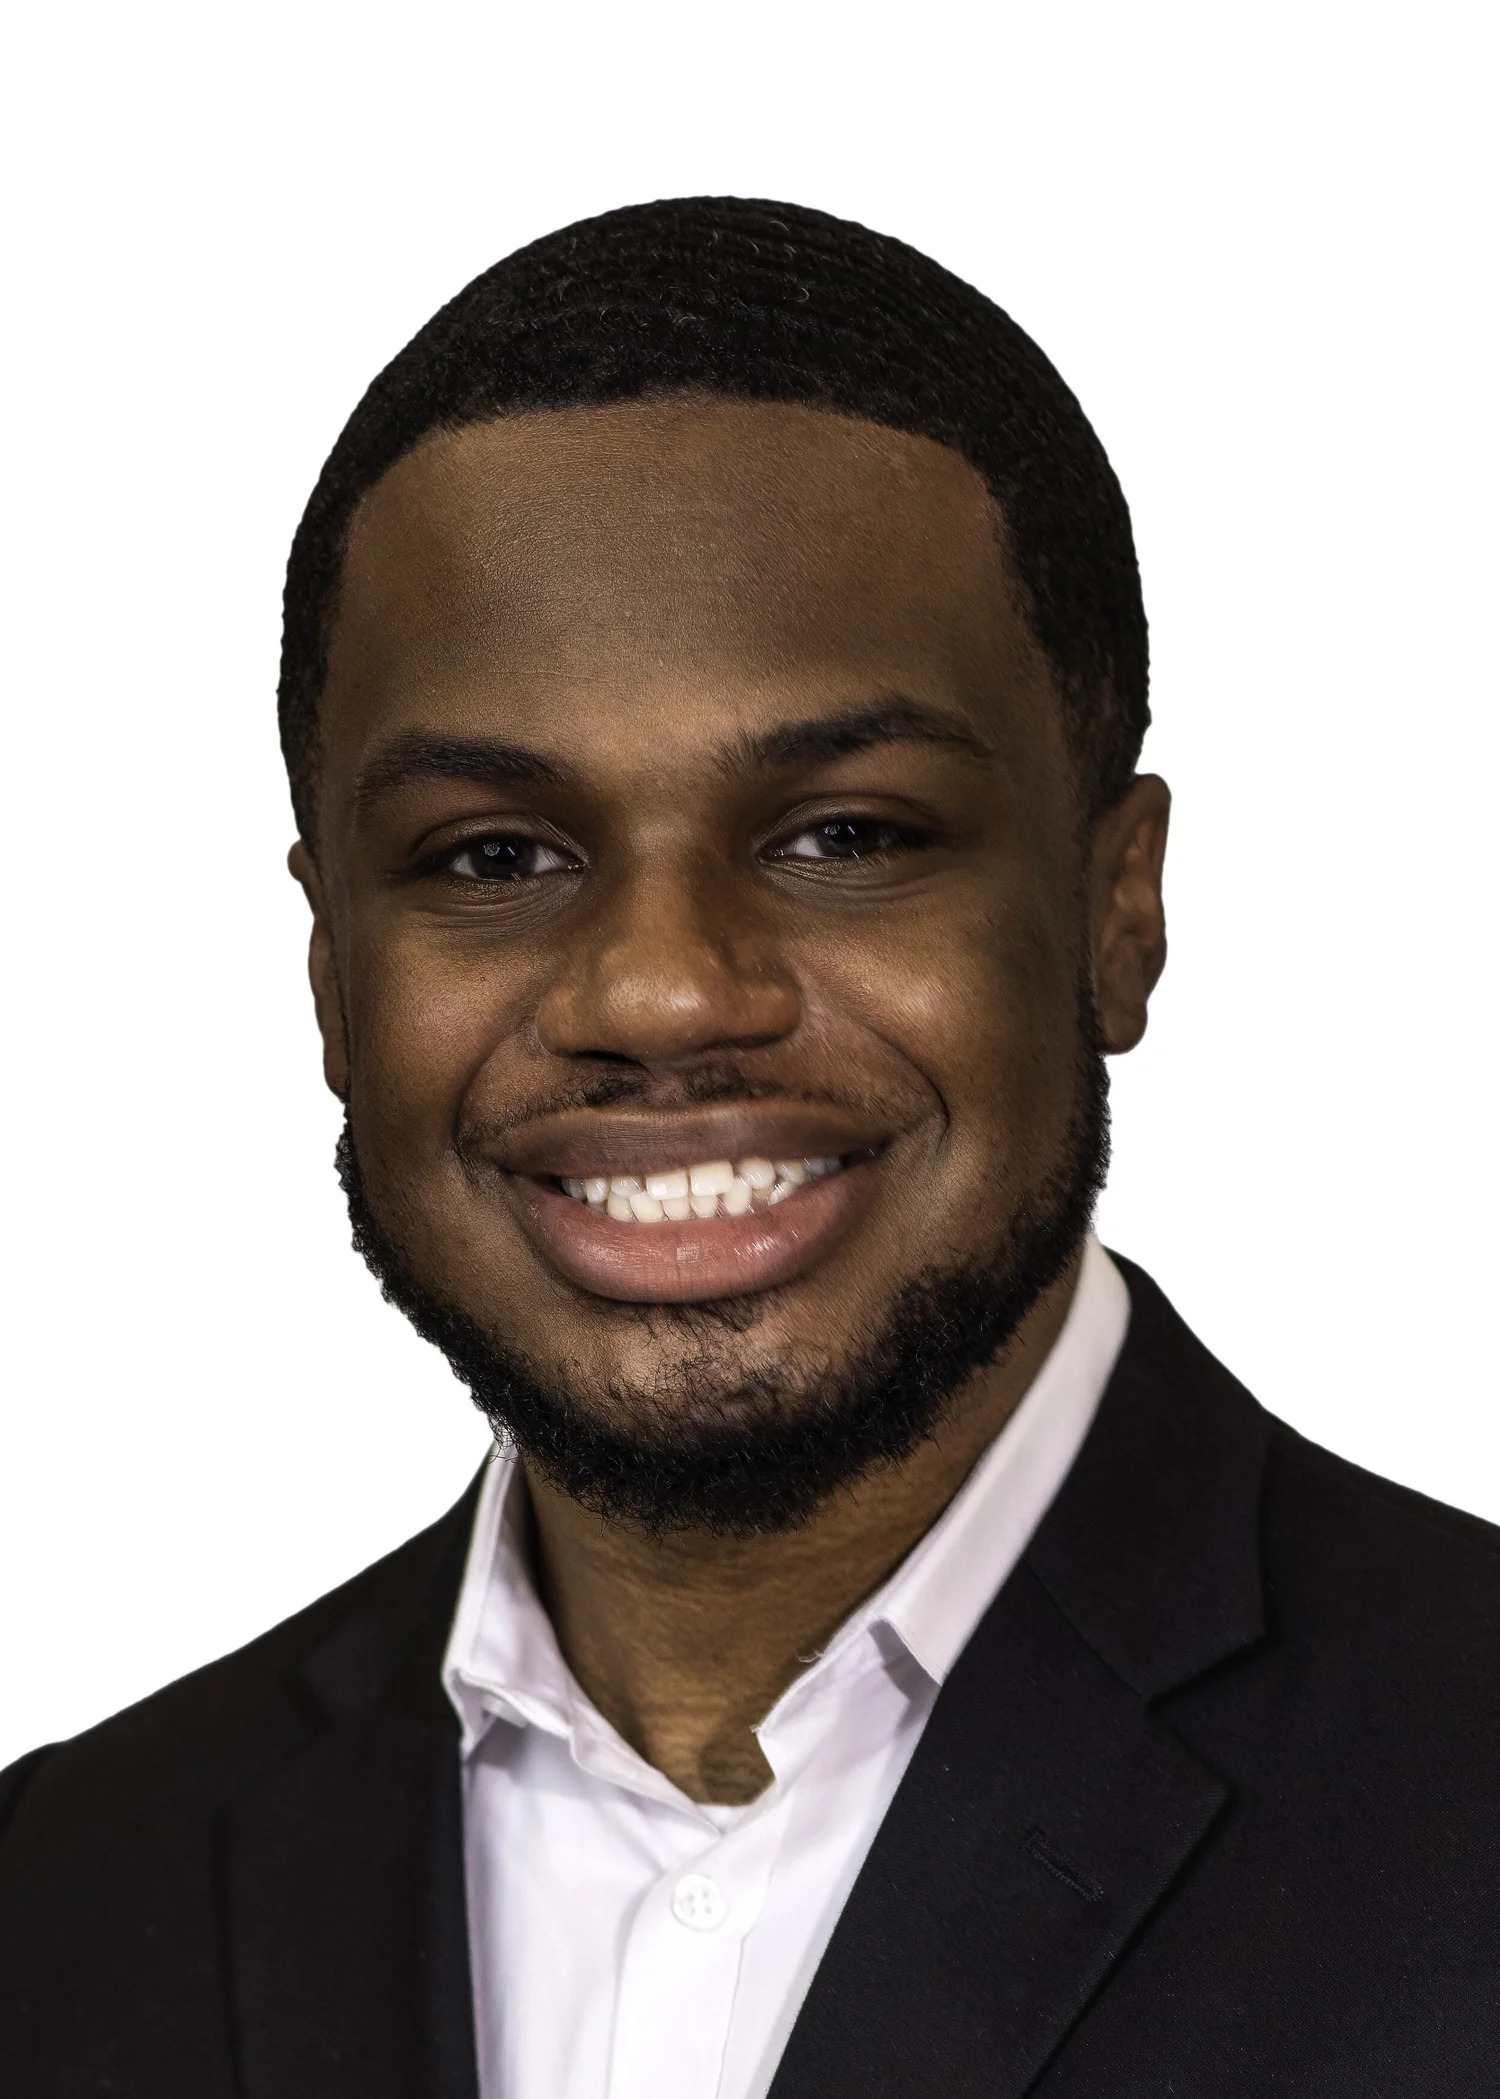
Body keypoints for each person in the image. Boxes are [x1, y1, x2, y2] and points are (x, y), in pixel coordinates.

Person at [2, 196, 1497, 2099]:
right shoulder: (63, 1894)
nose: (661, 990)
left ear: (1118, 907)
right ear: (332, 973)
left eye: (844, 835)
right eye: (494, 855)